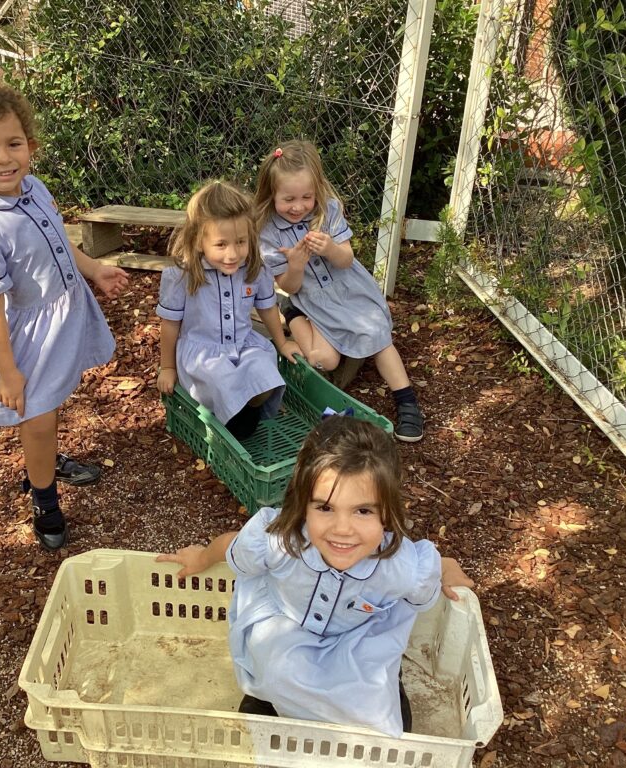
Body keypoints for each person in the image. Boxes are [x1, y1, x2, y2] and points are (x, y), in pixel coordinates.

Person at [156, 416, 473, 736]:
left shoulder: (399, 566)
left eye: (362, 511)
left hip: (355, 643)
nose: (342, 529)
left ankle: (374, 692)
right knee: (278, 673)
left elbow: (429, 567)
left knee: (378, 720)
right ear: (302, 504)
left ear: (387, 514)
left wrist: (447, 569)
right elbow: (231, 545)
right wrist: (201, 556)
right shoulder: (283, 540)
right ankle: (268, 702)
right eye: (325, 508)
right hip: (287, 627)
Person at [0, 77, 128, 551]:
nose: (3, 158)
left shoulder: (35, 189)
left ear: (31, 145)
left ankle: (44, 457)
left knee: (50, 410)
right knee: (39, 417)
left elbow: (60, 242)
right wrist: (8, 371)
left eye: (13, 144)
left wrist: (92, 271)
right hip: (26, 342)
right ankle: (44, 497)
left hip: (62, 319)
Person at [254, 140, 425, 443]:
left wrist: (331, 248)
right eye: (288, 199)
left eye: (307, 196)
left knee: (376, 334)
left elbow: (346, 260)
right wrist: (294, 265)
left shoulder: (327, 210)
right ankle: (291, 312)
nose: (298, 206)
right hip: (311, 300)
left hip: (348, 290)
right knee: (325, 361)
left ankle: (407, 400)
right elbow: (289, 286)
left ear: (317, 189)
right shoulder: (267, 230)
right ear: (272, 194)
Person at [156, 180, 302, 440]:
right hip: (203, 353)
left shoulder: (255, 269)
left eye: (241, 242)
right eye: (221, 245)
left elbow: (268, 308)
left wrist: (282, 343)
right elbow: (170, 325)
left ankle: (244, 415)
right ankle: (233, 427)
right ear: (200, 241)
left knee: (265, 370)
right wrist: (167, 367)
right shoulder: (182, 276)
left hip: (244, 345)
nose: (233, 254)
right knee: (221, 378)